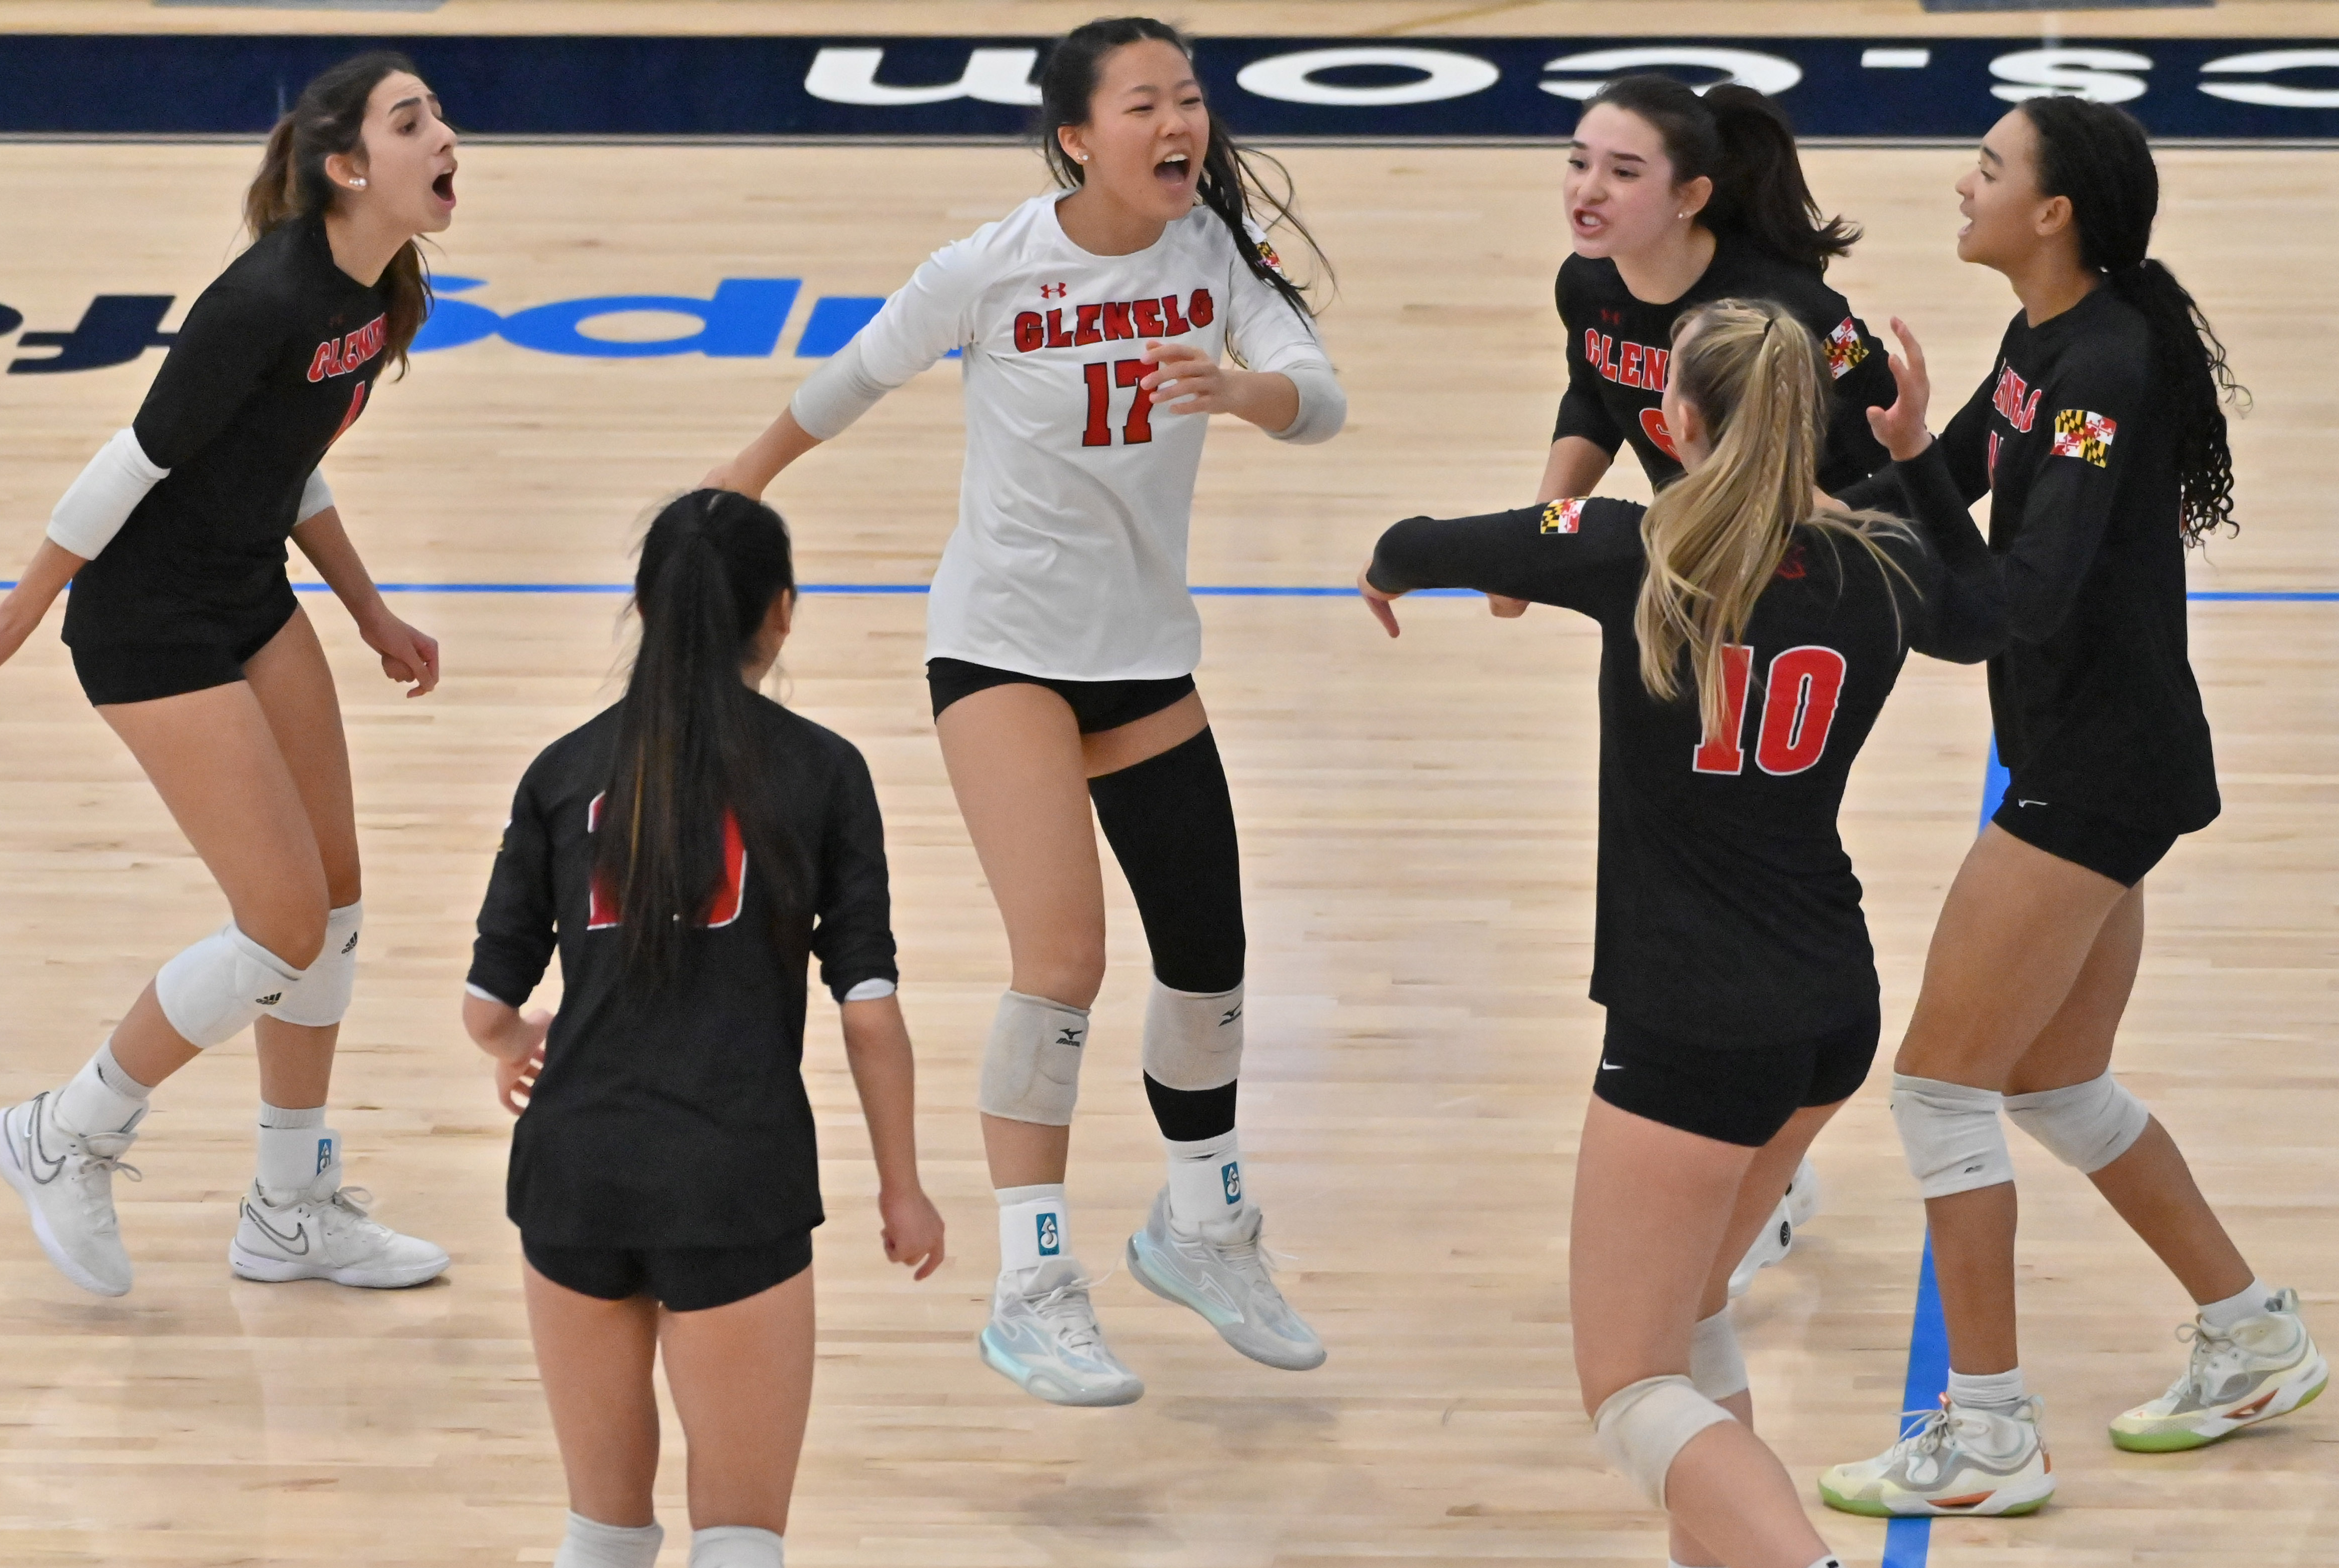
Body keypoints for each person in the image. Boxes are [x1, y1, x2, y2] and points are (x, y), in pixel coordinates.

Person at [702, 16, 1346, 1408]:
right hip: (1000, 649)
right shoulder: (989, 267)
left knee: (1210, 958)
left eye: (1189, 97)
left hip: (1142, 650)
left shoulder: (1212, 256)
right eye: (1144, 103)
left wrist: (1244, 389)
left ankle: (1199, 1226)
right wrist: (741, 481)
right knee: (1062, 963)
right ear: (1075, 137)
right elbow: (854, 375)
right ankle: (1031, 1285)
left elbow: (1322, 402)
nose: (1178, 123)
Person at [1359, 299, 2003, 1568]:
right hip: (1829, 1008)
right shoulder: (1883, 560)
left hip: (1691, 1024)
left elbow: (1414, 543)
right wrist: (1918, 455)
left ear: (1674, 424)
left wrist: (1390, 577)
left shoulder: (1635, 547)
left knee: (1628, 1390)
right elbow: (1983, 619)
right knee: (1695, 1315)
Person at [1818, 98, 2325, 1521]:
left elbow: (2014, 602)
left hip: (2093, 765)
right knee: (2051, 1082)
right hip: (2102, 751)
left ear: (2051, 213)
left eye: (1988, 167)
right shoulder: (2042, 336)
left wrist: (1902, 552)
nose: (1961, 182)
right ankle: (2252, 1334)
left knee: (1938, 1085)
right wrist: (1811, 492)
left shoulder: (2102, 363)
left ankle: (1989, 1434)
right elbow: (1944, 478)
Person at [0, 51, 457, 1298]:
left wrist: (371, 610)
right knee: (280, 922)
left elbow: (289, 459)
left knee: (333, 904)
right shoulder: (264, 298)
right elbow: (133, 460)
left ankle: (289, 1210)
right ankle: (66, 1130)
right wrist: (20, 610)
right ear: (348, 168)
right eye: (412, 121)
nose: (446, 136)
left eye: (438, 114)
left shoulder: (382, 289)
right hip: (148, 624)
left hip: (248, 595)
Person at [465, 490, 943, 1568]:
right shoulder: (823, 771)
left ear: (643, 607)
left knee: (601, 1530)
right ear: (782, 612)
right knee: (737, 1535)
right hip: (734, 1174)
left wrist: (519, 1047)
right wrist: (901, 1188)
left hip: (574, 1167)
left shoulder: (560, 772)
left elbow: (486, 1010)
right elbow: (868, 1013)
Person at [1508, 75, 1906, 1287]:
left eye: (1619, 172)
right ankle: (1759, 1148)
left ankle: (1764, 1157)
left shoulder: (1793, 313)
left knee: (1748, 849)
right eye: (1578, 163)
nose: (1586, 191)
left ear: (1689, 197)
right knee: (1688, 853)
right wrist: (1545, 524)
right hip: (1685, 596)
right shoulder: (1588, 284)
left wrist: (1818, 562)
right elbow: (1594, 389)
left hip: (1801, 603)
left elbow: (1896, 455)